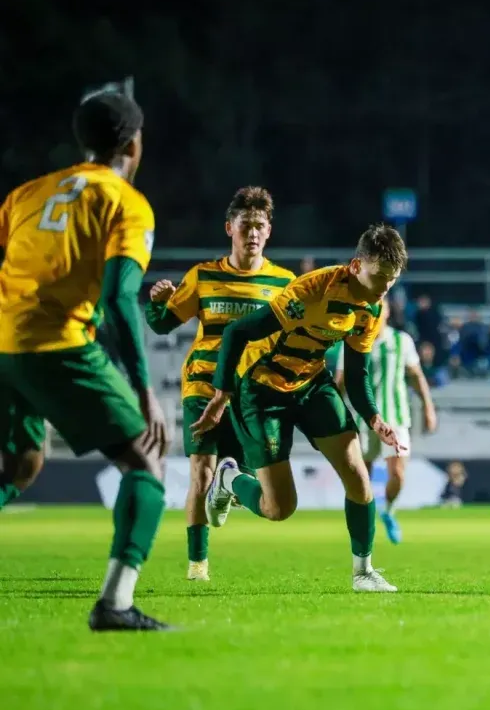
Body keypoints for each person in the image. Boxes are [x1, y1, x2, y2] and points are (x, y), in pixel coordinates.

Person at [0, 91, 171, 630]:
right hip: (58, 344)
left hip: (4, 341)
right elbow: (122, 298)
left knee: (21, 464)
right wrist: (144, 391)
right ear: (135, 144)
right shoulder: (126, 202)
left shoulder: (27, 192)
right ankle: (115, 605)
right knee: (146, 463)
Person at [190, 223, 407, 593]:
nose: (385, 286)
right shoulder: (312, 290)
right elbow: (237, 333)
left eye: (393, 279)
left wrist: (374, 418)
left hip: (311, 383)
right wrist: (221, 396)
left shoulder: (371, 306)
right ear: (357, 266)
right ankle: (227, 479)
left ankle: (363, 573)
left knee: (357, 474)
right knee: (279, 508)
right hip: (263, 390)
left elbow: (357, 373)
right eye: (380, 276)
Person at [143, 186, 294, 582]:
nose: (253, 233)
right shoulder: (203, 276)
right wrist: (157, 300)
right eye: (246, 225)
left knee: (248, 480)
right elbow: (161, 324)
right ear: (230, 228)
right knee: (201, 474)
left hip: (252, 393)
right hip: (203, 386)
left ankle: (229, 482)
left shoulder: (284, 283)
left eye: (260, 226)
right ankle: (198, 565)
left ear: (269, 232)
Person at [362, 298, 437, 543]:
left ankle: (389, 511)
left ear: (387, 312)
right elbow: (341, 381)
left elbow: (416, 375)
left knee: (398, 474)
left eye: (380, 307)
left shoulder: (401, 341)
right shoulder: (354, 340)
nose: (376, 311)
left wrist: (428, 407)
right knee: (363, 474)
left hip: (396, 417)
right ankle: (364, 517)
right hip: (364, 419)